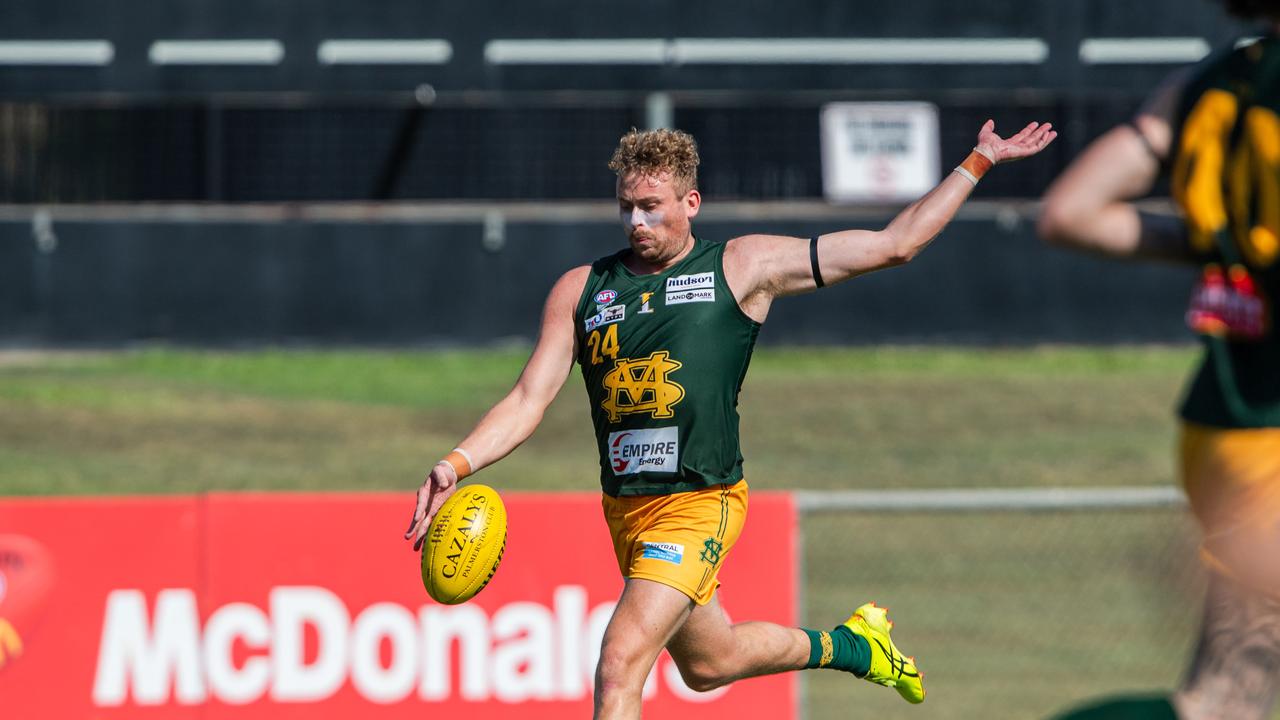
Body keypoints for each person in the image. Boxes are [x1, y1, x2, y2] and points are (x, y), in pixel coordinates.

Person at [406, 118, 1055, 719]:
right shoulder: (582, 290)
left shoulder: (741, 268)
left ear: (691, 203)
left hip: (700, 501)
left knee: (619, 661)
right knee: (711, 664)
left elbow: (895, 245)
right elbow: (528, 399)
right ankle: (857, 646)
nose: (637, 221)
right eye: (627, 205)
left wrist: (979, 160)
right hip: (627, 511)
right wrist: (455, 463)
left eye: (652, 207)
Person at [1039, 4, 1280, 718]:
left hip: (1224, 420)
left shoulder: (1213, 80)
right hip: (1272, 428)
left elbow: (1070, 211)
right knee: (1223, 702)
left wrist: (1224, 243)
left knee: (1229, 698)